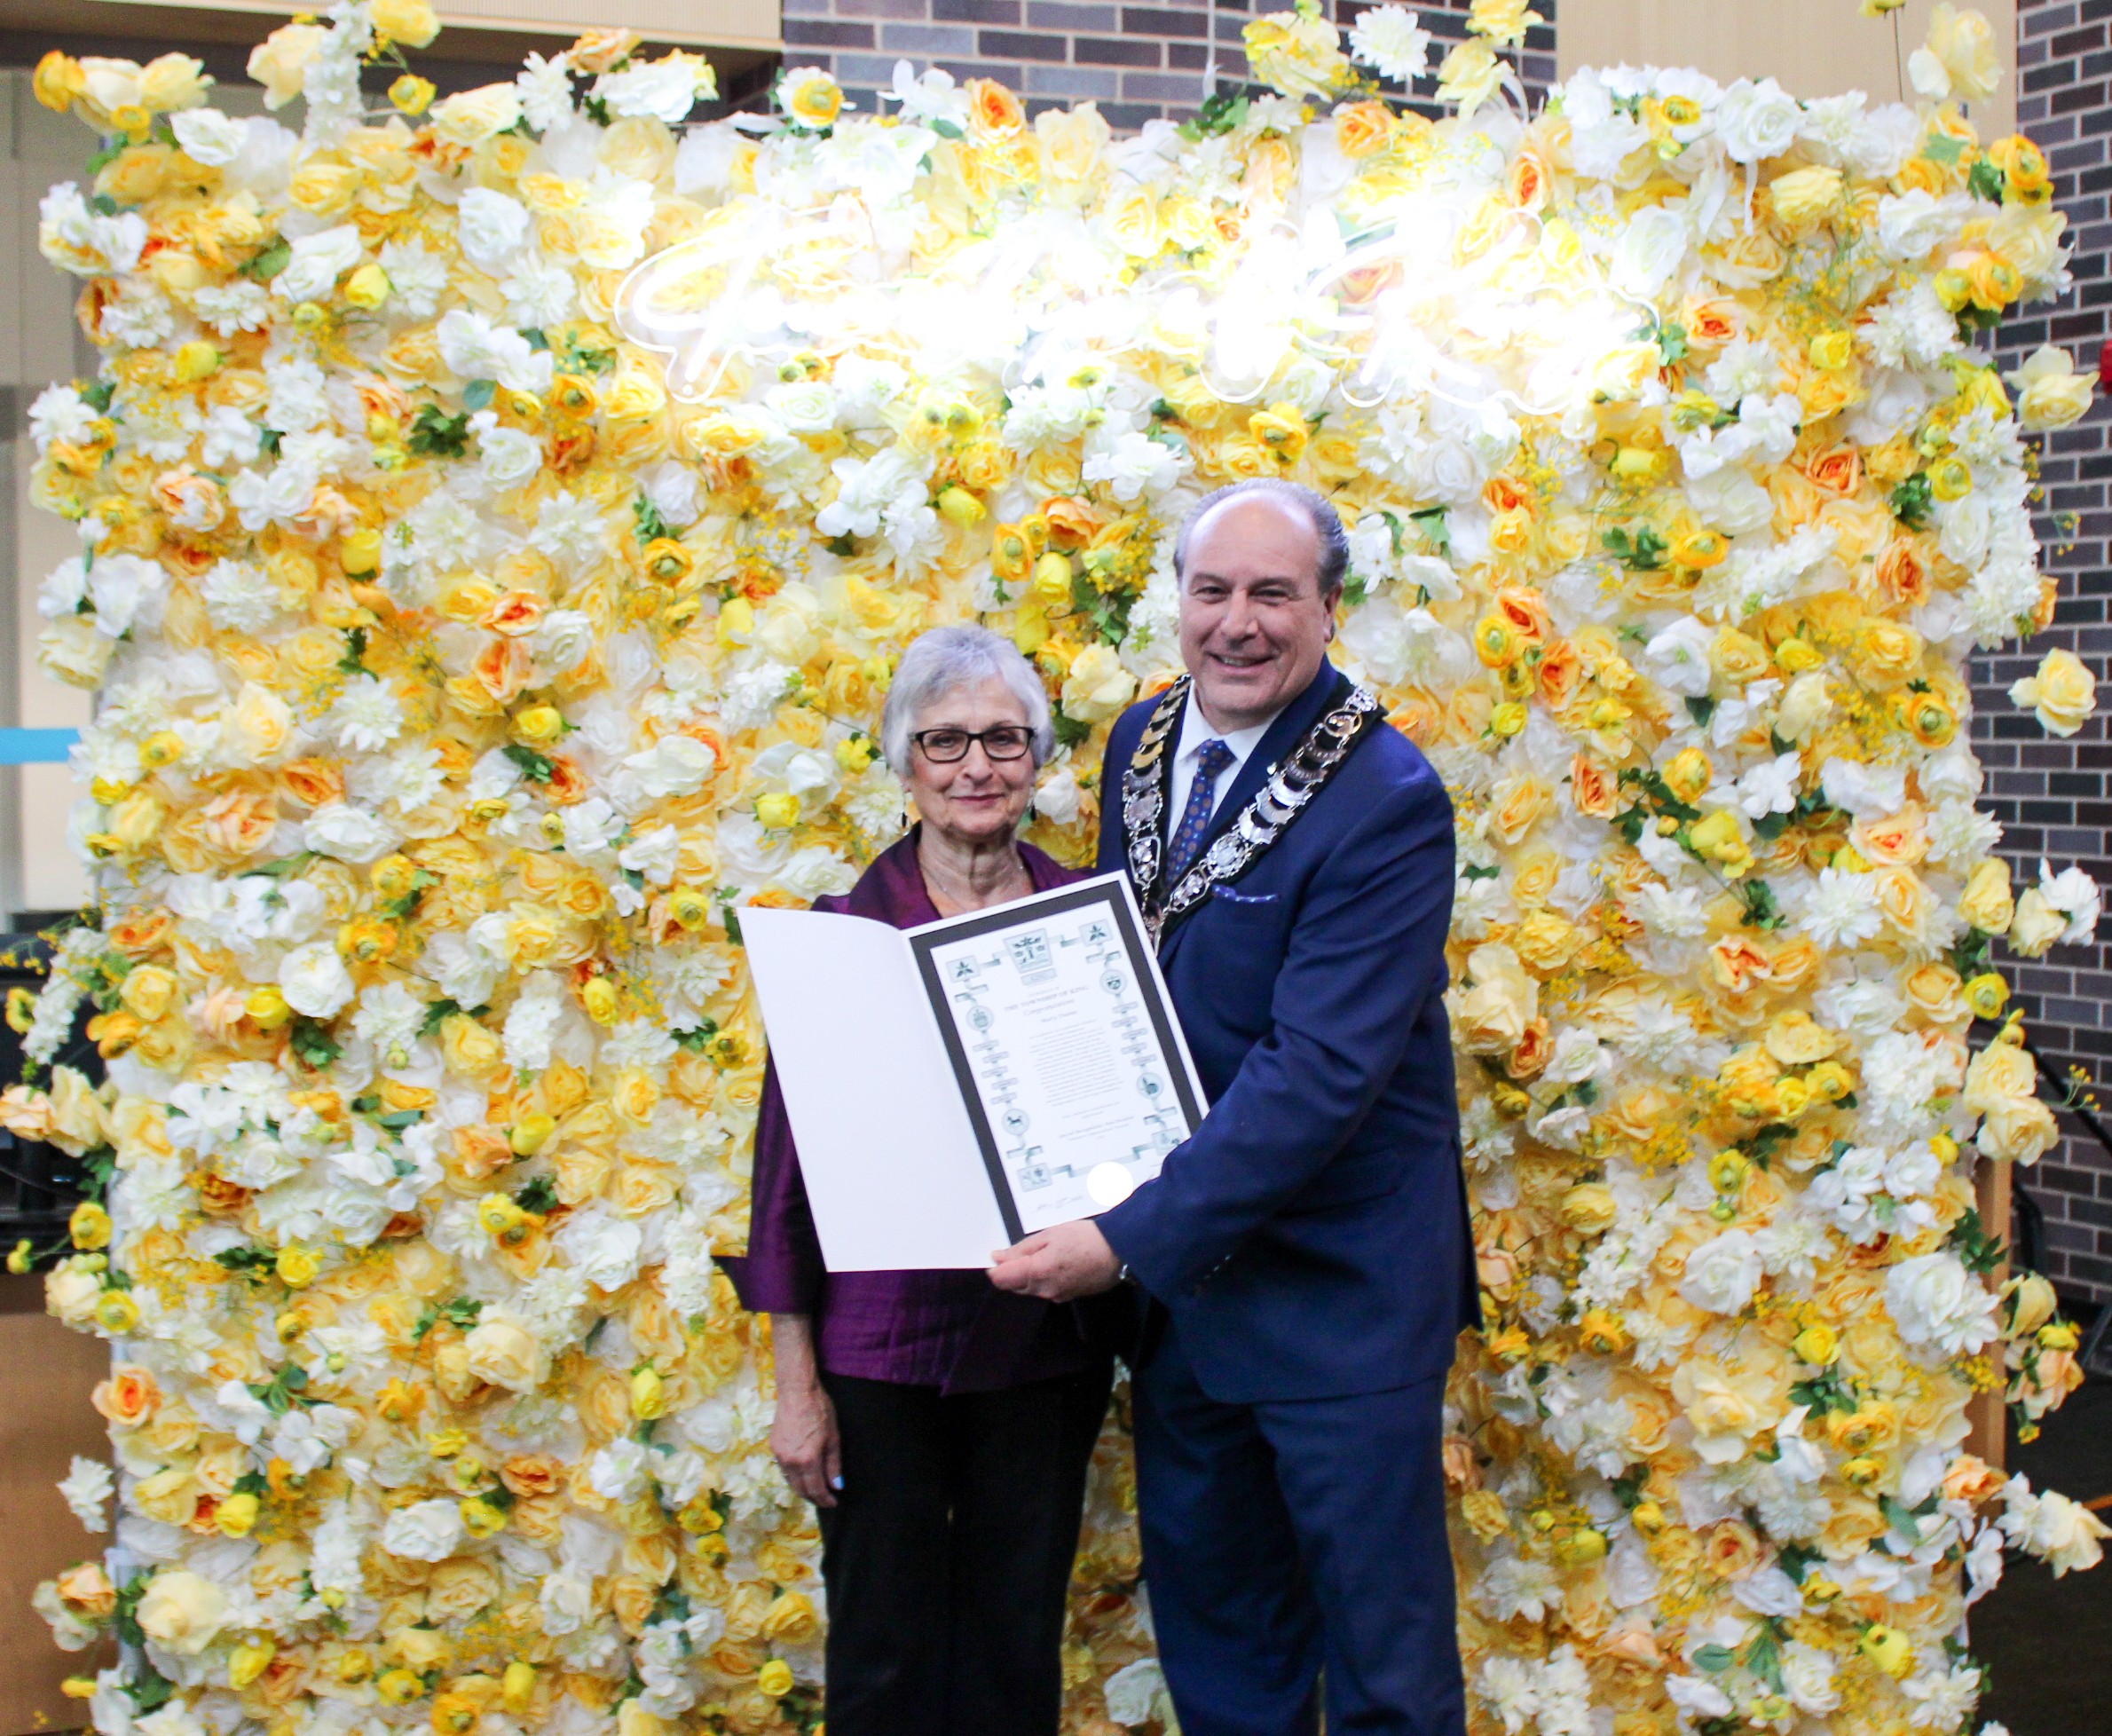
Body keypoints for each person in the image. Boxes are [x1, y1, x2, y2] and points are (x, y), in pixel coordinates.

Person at [989, 478, 1478, 1736]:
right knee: (1223, 1657)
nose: (1238, 623)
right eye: (1213, 591)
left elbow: (1318, 1075)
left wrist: (1121, 1235)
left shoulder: (1389, 800)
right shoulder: (1139, 743)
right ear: (1179, 600)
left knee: (1384, 1670)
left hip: (1337, 1300)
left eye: (1274, 593)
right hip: (1188, 1301)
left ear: (1331, 607)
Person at [722, 624, 1117, 1736]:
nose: (975, 768)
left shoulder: (1083, 926)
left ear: (1037, 762)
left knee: (1012, 1641)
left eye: (1002, 739)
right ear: (904, 766)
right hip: (876, 1357)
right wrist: (796, 1389)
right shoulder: (841, 939)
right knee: (884, 1649)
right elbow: (782, 1190)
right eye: (944, 742)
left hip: (1042, 1341)